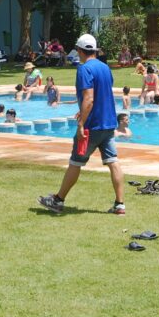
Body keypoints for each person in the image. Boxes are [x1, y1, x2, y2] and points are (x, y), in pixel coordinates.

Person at [38, 33, 125, 215]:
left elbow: (89, 97)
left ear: (79, 50)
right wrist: (83, 109)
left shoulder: (84, 69)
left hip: (91, 126)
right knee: (113, 162)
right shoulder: (105, 68)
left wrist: (81, 123)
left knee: (75, 163)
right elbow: (102, 94)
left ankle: (58, 200)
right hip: (108, 124)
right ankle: (119, 204)